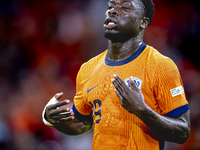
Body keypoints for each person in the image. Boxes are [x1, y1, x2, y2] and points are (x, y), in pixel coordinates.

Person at [42, 0, 190, 149]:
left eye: (125, 8)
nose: (112, 11)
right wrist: (52, 120)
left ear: (143, 22)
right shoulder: (88, 69)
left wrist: (142, 110)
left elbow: (183, 132)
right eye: (110, 7)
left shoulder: (160, 65)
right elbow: (82, 124)